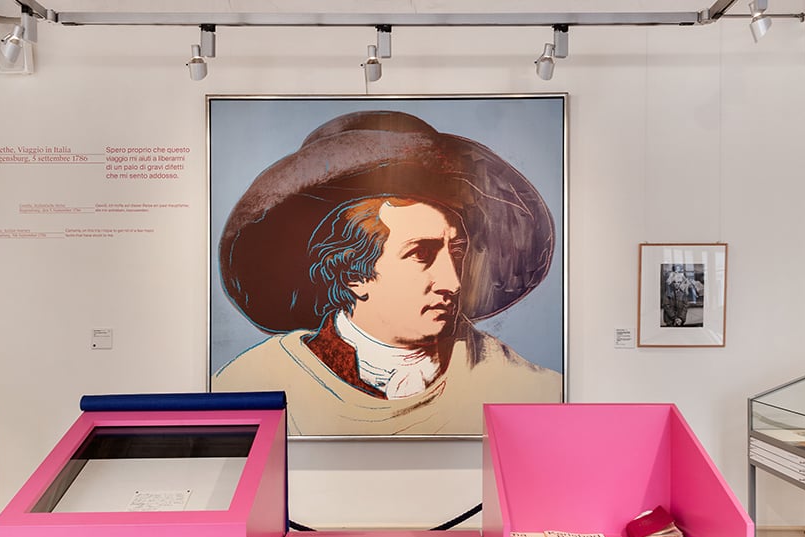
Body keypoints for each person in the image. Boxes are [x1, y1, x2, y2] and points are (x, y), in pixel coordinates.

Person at [212, 110, 561, 435]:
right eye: (421, 254)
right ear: (353, 274)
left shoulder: (525, 388)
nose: (453, 283)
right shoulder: (253, 384)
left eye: (457, 254)